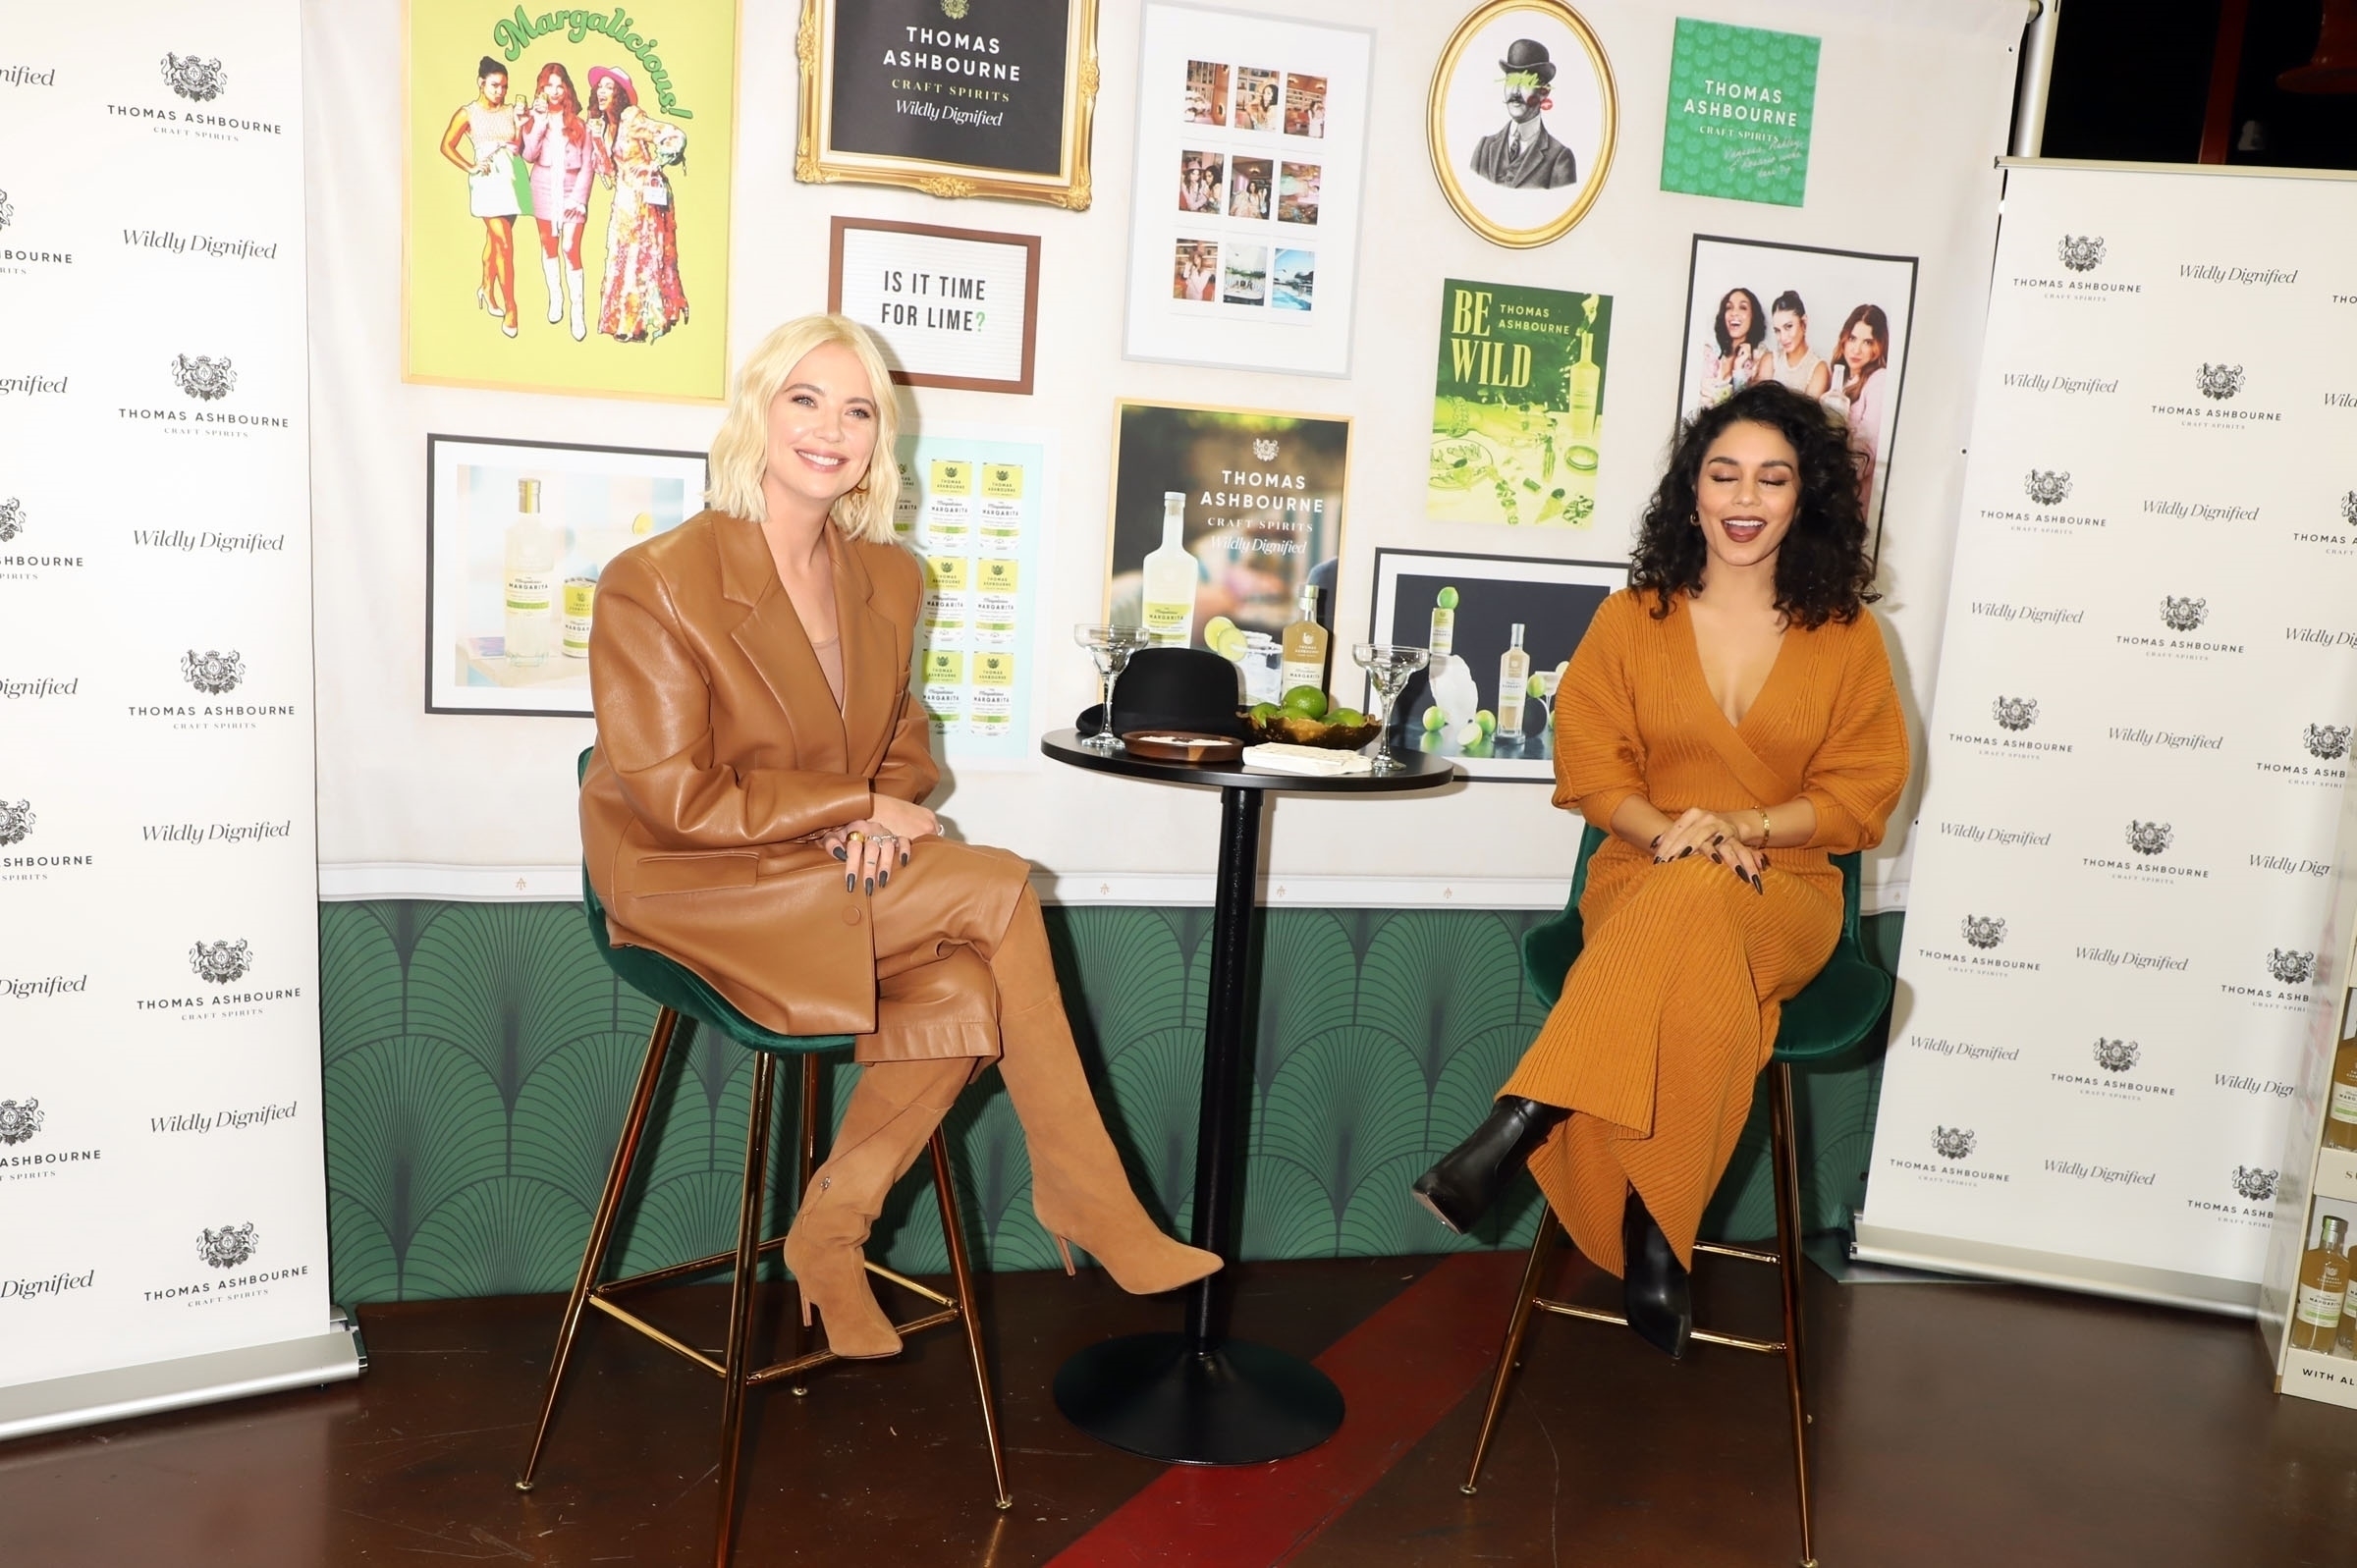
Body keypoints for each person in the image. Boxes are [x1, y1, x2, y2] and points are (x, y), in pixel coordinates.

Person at [581, 315, 1220, 1359]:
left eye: (858, 411)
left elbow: (902, 742)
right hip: (695, 880)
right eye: (804, 399)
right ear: (757, 411)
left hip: (822, 868)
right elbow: (672, 798)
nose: (830, 429)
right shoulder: (653, 579)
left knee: (965, 989)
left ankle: (829, 1232)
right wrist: (849, 809)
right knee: (999, 887)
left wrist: (871, 813)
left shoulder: (888, 573)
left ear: (881, 437)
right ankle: (1088, 1196)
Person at [1411, 381, 1908, 1359]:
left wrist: (1742, 824)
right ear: (1692, 491)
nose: (1745, 496)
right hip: (1643, 874)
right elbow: (1592, 769)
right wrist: (1680, 834)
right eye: (1724, 473)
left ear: (1806, 498)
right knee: (1693, 902)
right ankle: (1655, 1222)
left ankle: (1525, 1116)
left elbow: (1860, 794)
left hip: (1789, 892)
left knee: (1706, 903)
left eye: (1773, 477)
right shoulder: (1629, 619)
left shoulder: (1849, 634)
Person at [584, 65, 688, 343]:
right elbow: (608, 173)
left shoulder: (631, 117)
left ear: (619, 93)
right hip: (623, 199)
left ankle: (635, 324)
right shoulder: (604, 125)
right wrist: (596, 139)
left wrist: (658, 163)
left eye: (609, 87)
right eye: (600, 87)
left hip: (645, 197)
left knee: (641, 257)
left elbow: (673, 134)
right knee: (621, 256)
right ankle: (623, 320)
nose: (602, 91)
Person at [439, 57, 523, 339]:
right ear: (481, 83)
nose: (501, 91)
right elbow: (446, 145)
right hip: (488, 182)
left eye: (504, 86)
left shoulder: (511, 110)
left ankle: (486, 288)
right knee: (505, 245)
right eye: (495, 85)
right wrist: (470, 166)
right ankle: (511, 308)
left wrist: (521, 125)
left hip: (513, 179)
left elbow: (518, 146)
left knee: (495, 241)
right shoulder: (468, 113)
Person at [519, 61, 594, 341]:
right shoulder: (533, 119)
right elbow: (528, 155)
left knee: (570, 247)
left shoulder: (580, 125)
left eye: (559, 85)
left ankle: (578, 311)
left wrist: (579, 198)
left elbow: (588, 166)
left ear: (567, 89)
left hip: (572, 189)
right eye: (548, 85)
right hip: (542, 186)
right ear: (541, 88)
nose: (554, 91)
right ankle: (556, 298)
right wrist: (538, 123)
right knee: (548, 246)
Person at [1470, 39, 1578, 189]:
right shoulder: (1484, 148)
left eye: (1526, 83)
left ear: (1544, 92)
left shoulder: (1560, 159)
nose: (1515, 91)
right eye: (1511, 81)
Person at [1821, 303, 1892, 515]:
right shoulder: (1841, 380)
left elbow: (1867, 449)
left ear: (1878, 346)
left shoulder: (1879, 380)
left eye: (1867, 342)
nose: (1856, 349)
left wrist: (1830, 476)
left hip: (1851, 496)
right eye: (1852, 338)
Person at [1697, 287, 1766, 408]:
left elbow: (1745, 408)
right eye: (1729, 308)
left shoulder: (1760, 359)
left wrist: (1738, 368)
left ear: (1753, 316)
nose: (1734, 313)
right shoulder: (1712, 352)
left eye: (1743, 307)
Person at [1766, 291, 1830, 400]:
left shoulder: (1818, 368)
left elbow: (1807, 409)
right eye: (1777, 330)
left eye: (1788, 326)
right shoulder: (1770, 360)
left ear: (1804, 323)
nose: (1783, 337)